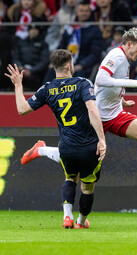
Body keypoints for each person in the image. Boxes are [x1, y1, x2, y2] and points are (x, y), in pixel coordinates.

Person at [22, 27, 137, 195]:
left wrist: (120, 99)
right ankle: (41, 150)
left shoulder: (124, 59)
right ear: (129, 44)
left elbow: (109, 85)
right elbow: (101, 79)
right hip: (96, 117)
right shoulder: (116, 56)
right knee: (74, 158)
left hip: (115, 114)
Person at [7, 49, 106, 229]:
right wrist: (102, 139)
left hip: (66, 147)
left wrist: (18, 85)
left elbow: (22, 109)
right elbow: (92, 110)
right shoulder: (83, 83)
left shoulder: (47, 88)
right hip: (88, 146)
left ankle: (67, 217)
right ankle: (81, 222)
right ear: (69, 65)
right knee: (87, 186)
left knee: (70, 179)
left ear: (54, 67)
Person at [13, 24, 50, 91]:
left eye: (35, 30)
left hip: (36, 71)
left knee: (34, 79)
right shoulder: (21, 42)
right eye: (31, 29)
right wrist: (19, 66)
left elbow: (44, 61)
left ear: (38, 31)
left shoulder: (43, 44)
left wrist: (32, 70)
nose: (33, 31)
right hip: (21, 69)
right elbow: (16, 57)